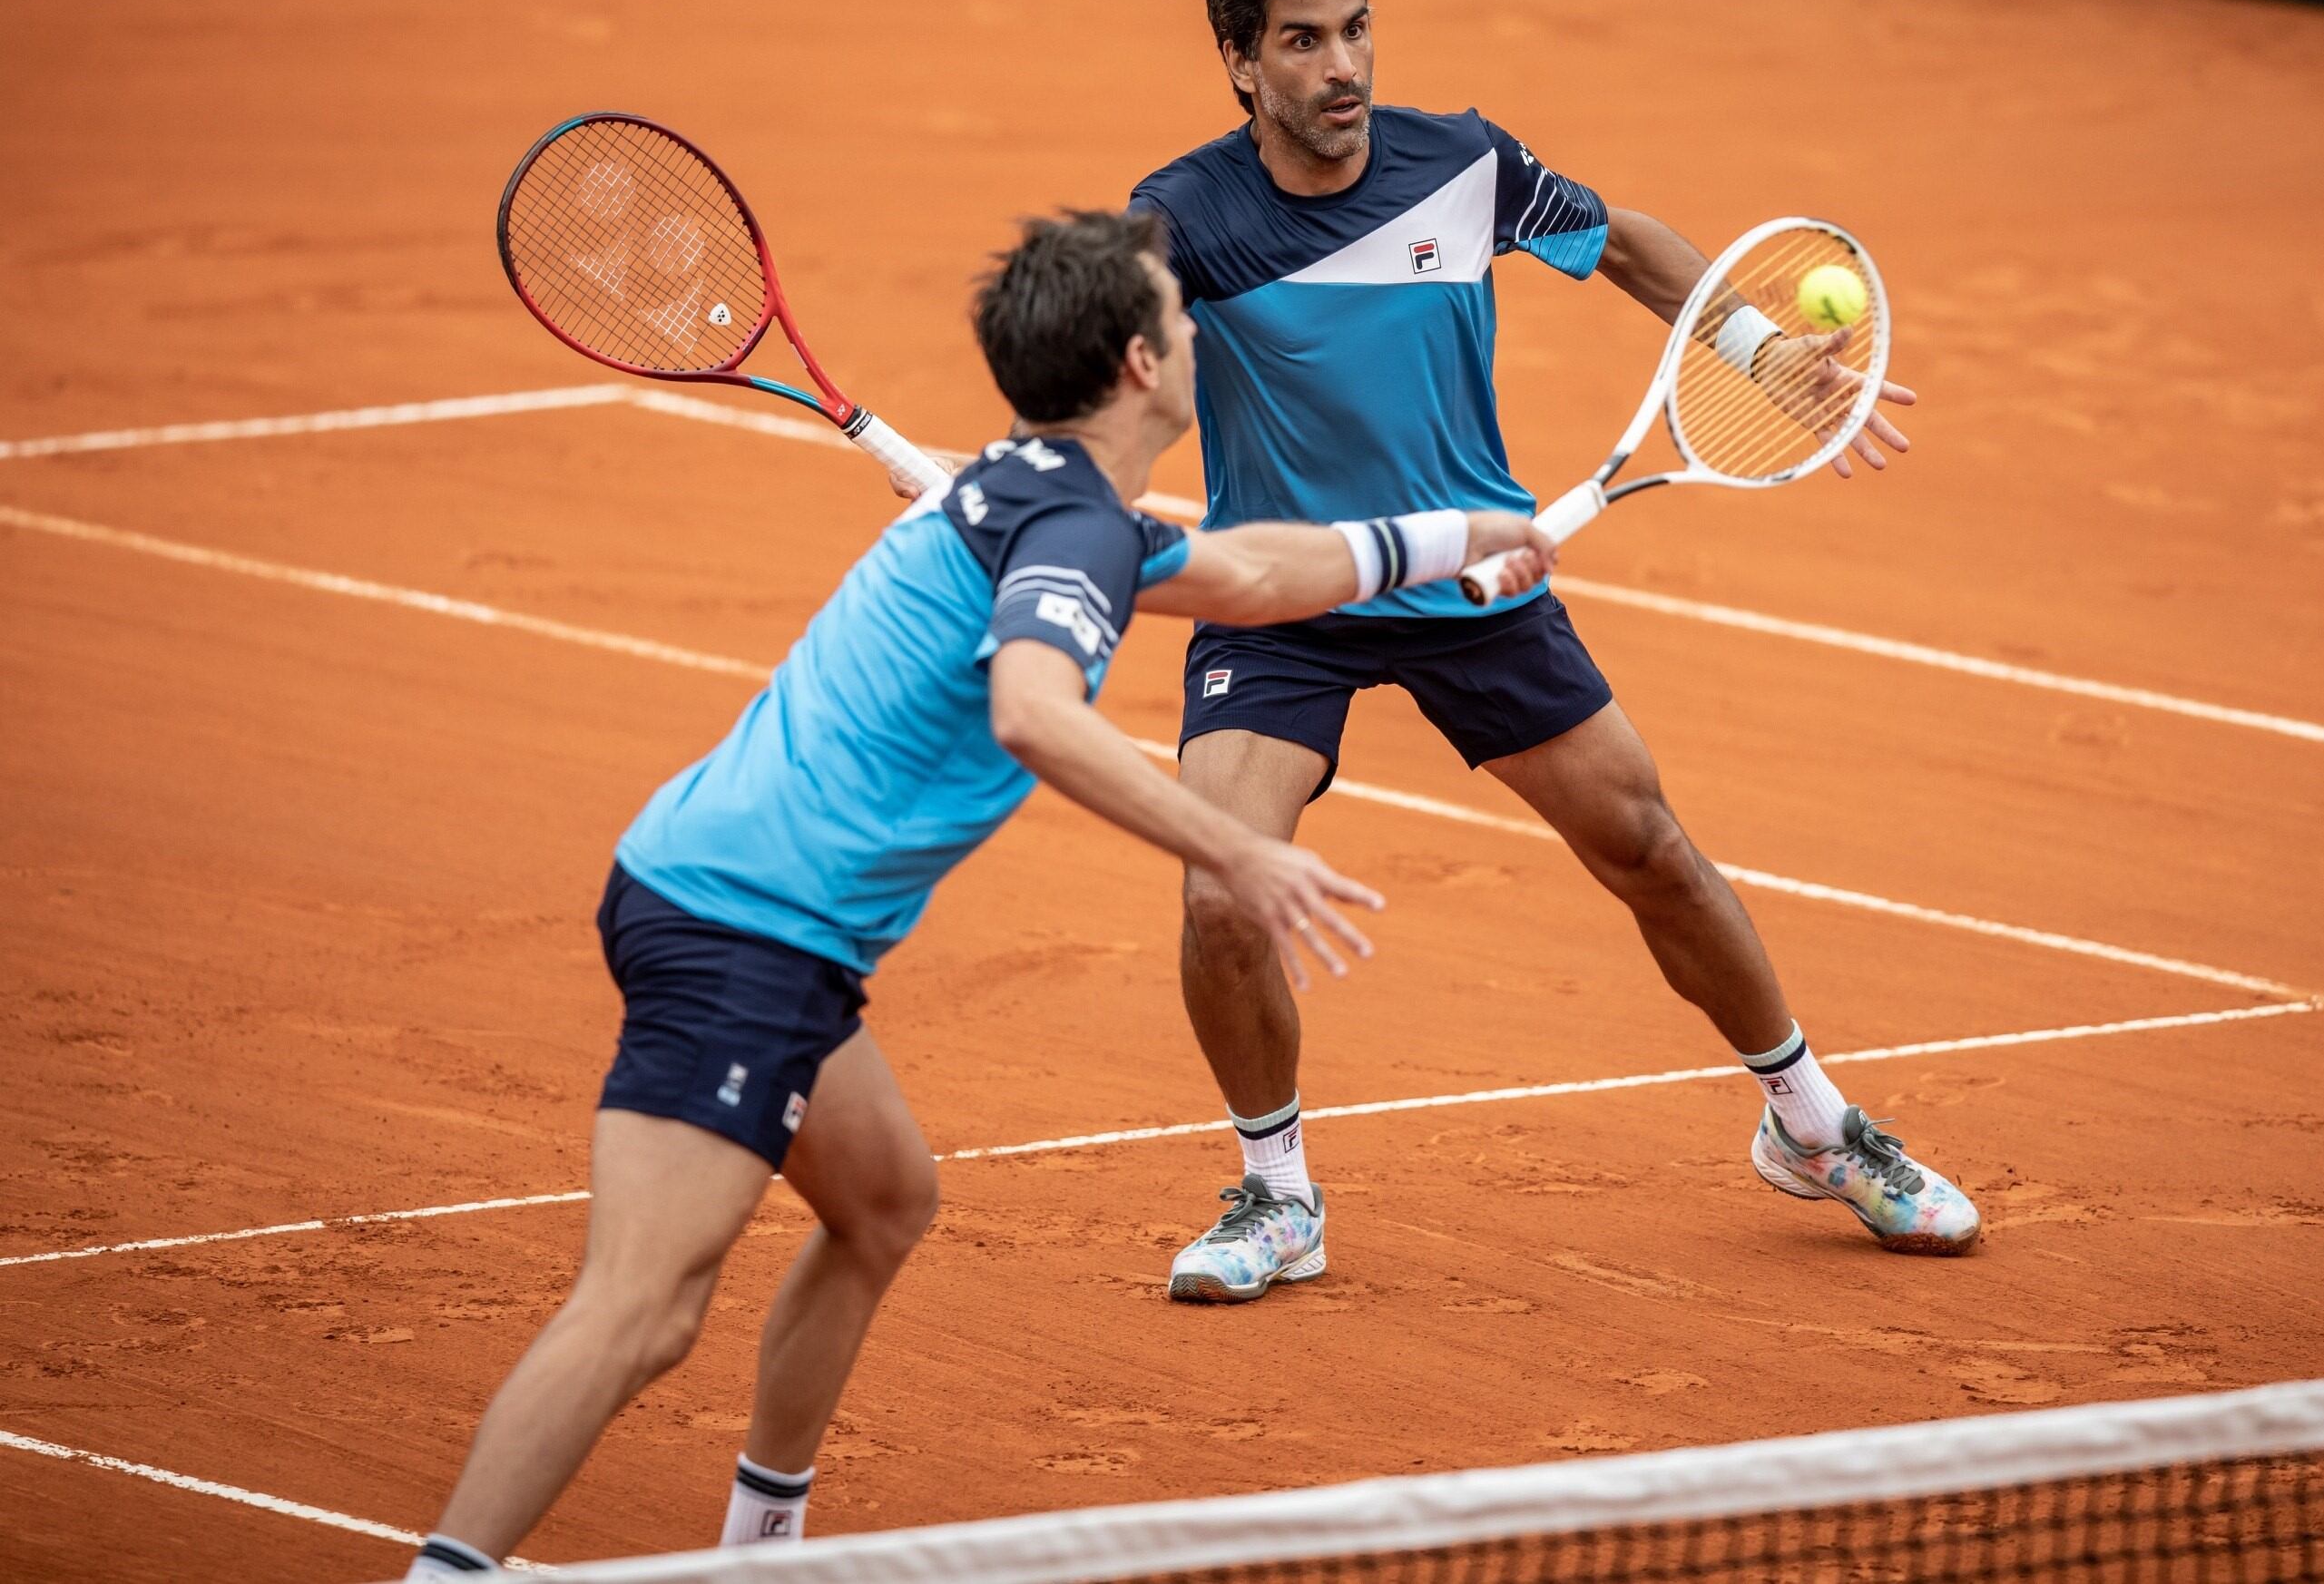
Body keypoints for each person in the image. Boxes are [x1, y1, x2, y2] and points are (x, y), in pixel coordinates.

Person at [403, 210, 1554, 1575]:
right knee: (642, 1309)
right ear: (1140, 363)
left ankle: (762, 1539)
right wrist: (1237, 847)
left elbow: (1251, 573)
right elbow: (1031, 710)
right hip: (743, 927)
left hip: (738, 905)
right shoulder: (1068, 525)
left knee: (884, 1201)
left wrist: (1465, 533)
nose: (1199, 333)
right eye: (1181, 320)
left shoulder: (1051, 497)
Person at [1128, 0, 1979, 1307]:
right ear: (1239, 64)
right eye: (1302, 41)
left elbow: (1629, 244)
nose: (1342, 64)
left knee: (1645, 842)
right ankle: (1277, 1197)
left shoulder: (1459, 159)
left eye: (1356, 27)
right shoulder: (1182, 217)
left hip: (1477, 575)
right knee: (1223, 884)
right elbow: (1126, 384)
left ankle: (1812, 1124)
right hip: (1291, 587)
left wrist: (1767, 355)